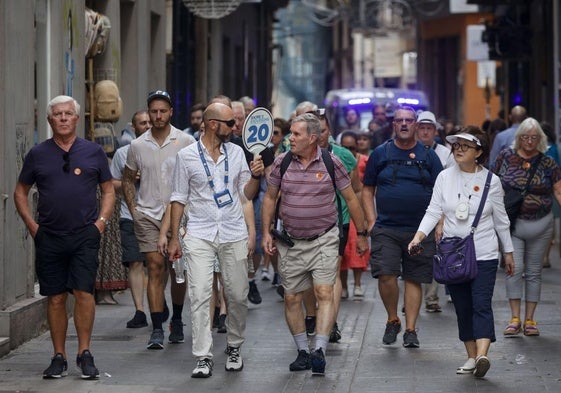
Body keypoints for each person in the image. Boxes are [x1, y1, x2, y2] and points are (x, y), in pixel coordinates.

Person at [14, 95, 115, 379]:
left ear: (76, 118)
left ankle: (85, 353)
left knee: (84, 293)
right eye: (57, 114)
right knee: (56, 297)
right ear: (49, 120)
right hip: (49, 235)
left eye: (68, 114)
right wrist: (33, 226)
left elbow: (108, 189)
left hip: (85, 234)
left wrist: (101, 223)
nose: (62, 118)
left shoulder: (93, 152)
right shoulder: (37, 153)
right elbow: (20, 191)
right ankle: (59, 355)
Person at [261, 113, 368, 376]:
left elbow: (351, 198)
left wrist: (362, 232)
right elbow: (270, 198)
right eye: (290, 134)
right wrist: (265, 232)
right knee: (292, 297)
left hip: (324, 238)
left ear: (312, 138)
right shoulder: (281, 163)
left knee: (323, 292)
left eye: (296, 135)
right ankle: (302, 352)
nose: (290, 139)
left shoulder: (332, 163)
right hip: (291, 242)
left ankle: (319, 349)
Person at [167, 102, 264, 378]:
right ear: (212, 124)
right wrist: (175, 237)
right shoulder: (186, 156)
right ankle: (203, 356)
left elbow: (247, 193)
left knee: (237, 295)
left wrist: (256, 175)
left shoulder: (237, 153)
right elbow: (178, 198)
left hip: (233, 232)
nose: (235, 128)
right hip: (199, 233)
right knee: (199, 295)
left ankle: (234, 346)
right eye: (230, 123)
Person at [409, 126, 514, 378]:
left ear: (478, 151)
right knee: (463, 307)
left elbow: (501, 220)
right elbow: (434, 210)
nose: (458, 150)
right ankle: (471, 356)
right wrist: (418, 236)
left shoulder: (492, 181)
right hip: (452, 255)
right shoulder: (445, 177)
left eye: (465, 146)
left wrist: (508, 251)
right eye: (456, 146)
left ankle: (482, 355)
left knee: (481, 304)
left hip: (484, 253)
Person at [361, 106, 443, 348]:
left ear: (416, 124)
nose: (405, 124)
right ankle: (393, 319)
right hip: (386, 227)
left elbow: (441, 192)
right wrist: (371, 220)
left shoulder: (429, 156)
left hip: (419, 230)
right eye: (400, 121)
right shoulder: (380, 153)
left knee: (413, 278)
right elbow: (367, 189)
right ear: (393, 125)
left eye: (409, 120)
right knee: (386, 275)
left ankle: (410, 329)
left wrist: (438, 223)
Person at [122, 90, 195, 349]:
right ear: (148, 112)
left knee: (177, 270)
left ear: (171, 112)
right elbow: (128, 179)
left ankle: (176, 318)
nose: (158, 115)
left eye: (163, 110)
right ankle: (156, 328)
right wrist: (134, 210)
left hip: (179, 215)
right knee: (154, 266)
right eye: (154, 111)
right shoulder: (137, 145)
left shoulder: (185, 141)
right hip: (148, 214)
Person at [494, 118, 561, 337]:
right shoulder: (506, 156)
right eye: (525, 137)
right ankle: (514, 318)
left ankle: (530, 319)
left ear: (541, 139)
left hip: (541, 224)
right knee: (515, 269)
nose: (529, 141)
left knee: (534, 272)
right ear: (518, 137)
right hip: (513, 223)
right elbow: (494, 184)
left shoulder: (548, 162)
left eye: (534, 137)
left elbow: (558, 190)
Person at [111, 110, 152, 328]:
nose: (146, 125)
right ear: (134, 128)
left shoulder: (161, 152)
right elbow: (113, 184)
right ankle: (139, 310)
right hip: (130, 215)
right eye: (142, 123)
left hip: (157, 216)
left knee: (157, 266)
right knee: (135, 262)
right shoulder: (123, 154)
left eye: (149, 122)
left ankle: (158, 304)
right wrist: (130, 178)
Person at [415, 111, 455, 313]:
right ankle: (412, 298)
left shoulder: (445, 154)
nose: (424, 132)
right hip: (413, 210)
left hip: (438, 209)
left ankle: (431, 298)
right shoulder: (407, 150)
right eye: (421, 127)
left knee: (434, 253)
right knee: (413, 254)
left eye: (428, 128)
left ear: (435, 131)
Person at [339, 131, 370, 299]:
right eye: (345, 147)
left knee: (357, 248)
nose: (349, 151)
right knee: (342, 252)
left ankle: (357, 284)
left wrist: (366, 216)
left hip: (357, 208)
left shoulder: (363, 161)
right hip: (341, 210)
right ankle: (343, 287)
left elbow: (362, 189)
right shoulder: (336, 160)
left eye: (352, 147)